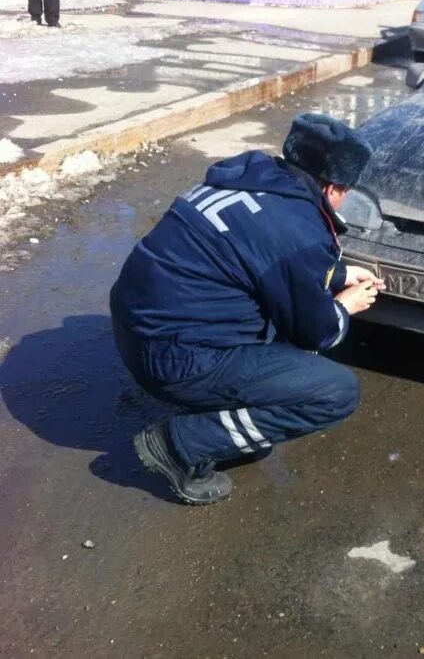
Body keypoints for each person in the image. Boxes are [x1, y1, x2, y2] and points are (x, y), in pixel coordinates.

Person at [110, 114, 385, 505]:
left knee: (275, 320)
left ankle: (232, 416)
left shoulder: (249, 181)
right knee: (335, 392)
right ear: (333, 187)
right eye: (346, 191)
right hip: (172, 359)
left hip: (133, 328)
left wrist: (333, 272)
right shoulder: (298, 230)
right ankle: (181, 445)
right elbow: (318, 332)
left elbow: (258, 254)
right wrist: (345, 304)